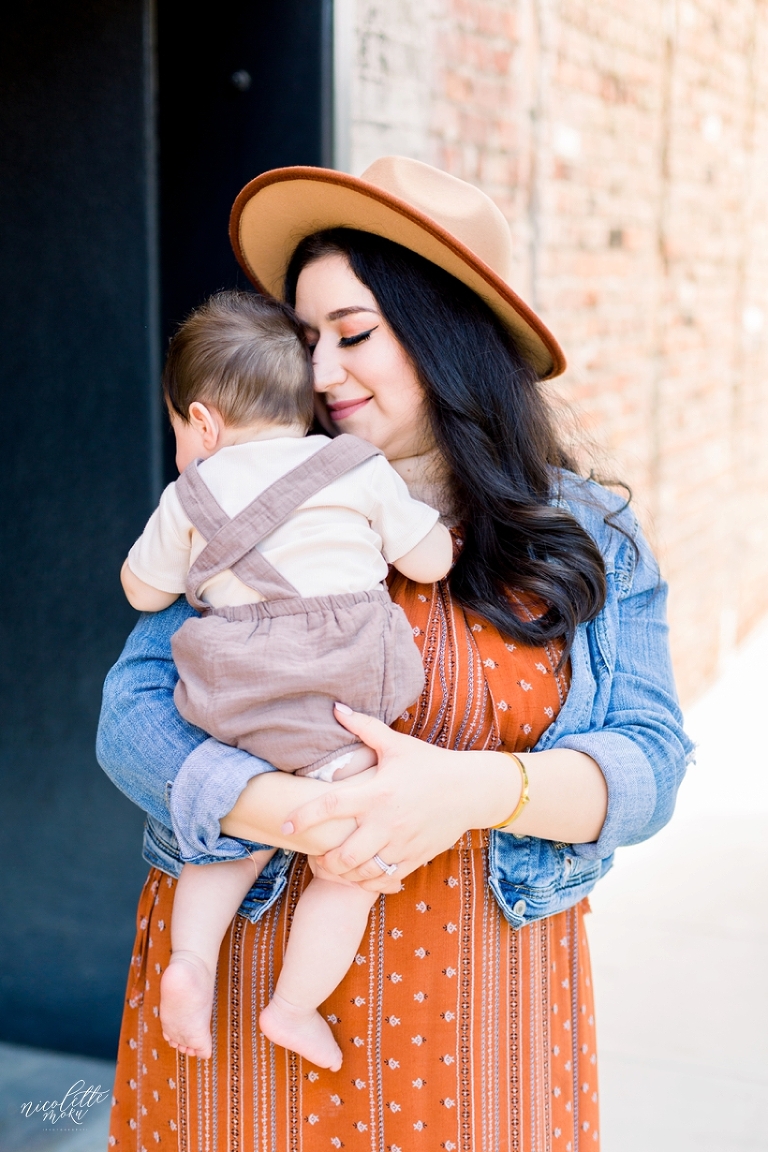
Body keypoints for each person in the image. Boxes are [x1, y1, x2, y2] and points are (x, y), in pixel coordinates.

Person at [98, 156, 693, 1151]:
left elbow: (650, 764)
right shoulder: (249, 495)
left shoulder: (588, 533)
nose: (319, 373)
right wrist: (300, 813)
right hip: (243, 1011)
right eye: (306, 340)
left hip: (480, 1025)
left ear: (448, 334)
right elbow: (132, 722)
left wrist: (466, 791)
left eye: (354, 335)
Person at [120, 288, 452, 1067]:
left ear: (201, 423)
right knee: (360, 861)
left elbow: (142, 592)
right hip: (342, 708)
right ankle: (295, 1006)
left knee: (228, 827)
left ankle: (192, 963)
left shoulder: (188, 494)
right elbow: (430, 563)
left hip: (232, 701)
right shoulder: (355, 467)